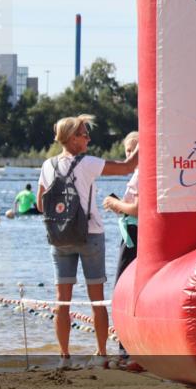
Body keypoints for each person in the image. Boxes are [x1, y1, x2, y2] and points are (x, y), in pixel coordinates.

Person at [36, 115, 138, 369]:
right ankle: (102, 355)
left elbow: (40, 204)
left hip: (59, 237)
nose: (88, 138)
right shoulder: (88, 163)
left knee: (62, 300)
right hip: (90, 234)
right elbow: (127, 167)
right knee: (97, 299)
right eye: (84, 134)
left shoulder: (47, 165)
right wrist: (145, 138)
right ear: (71, 138)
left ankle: (64, 358)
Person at [102, 131, 144, 373]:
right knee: (127, 291)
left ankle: (127, 352)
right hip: (133, 232)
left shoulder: (141, 172)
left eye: (133, 150)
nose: (129, 155)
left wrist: (114, 204)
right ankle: (129, 351)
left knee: (123, 291)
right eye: (127, 151)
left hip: (134, 235)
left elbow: (137, 209)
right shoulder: (143, 172)